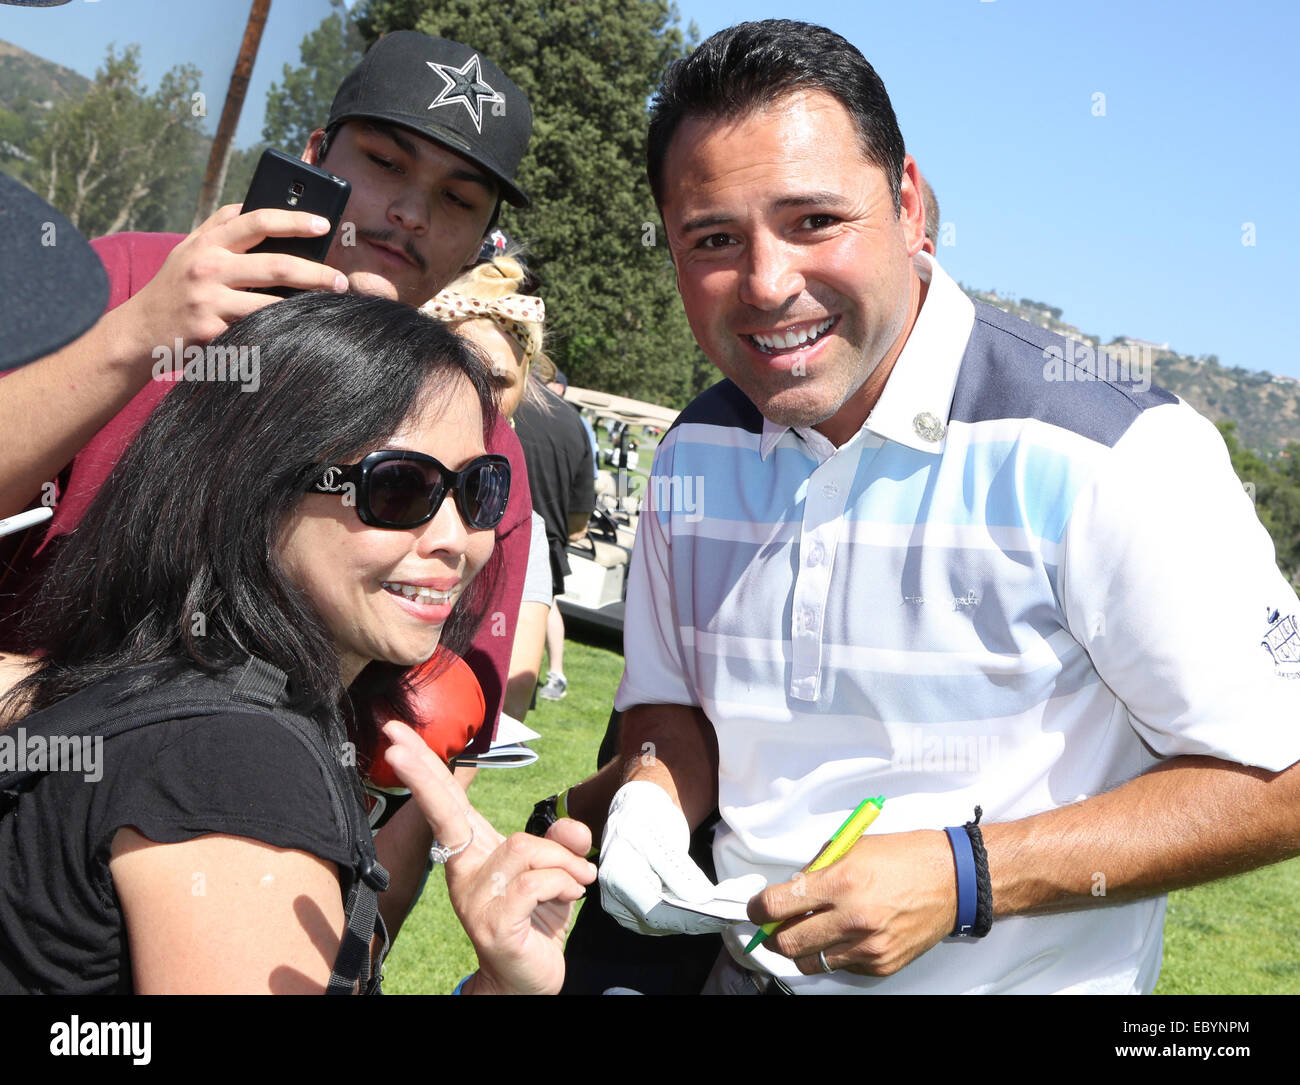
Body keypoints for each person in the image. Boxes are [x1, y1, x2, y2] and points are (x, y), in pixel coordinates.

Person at [596, 19, 1300, 994]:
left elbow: (1282, 775)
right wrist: (649, 804)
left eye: (813, 221)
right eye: (713, 238)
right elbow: (672, 708)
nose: (765, 283)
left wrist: (965, 876)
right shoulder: (693, 452)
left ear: (909, 205)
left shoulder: (1111, 449)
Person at [0, 291, 595, 994]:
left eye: (476, 489)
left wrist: (500, 984)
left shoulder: (160, 686)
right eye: (400, 487)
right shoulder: (239, 767)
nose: (453, 539)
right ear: (255, 489)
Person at [0, 31, 534, 762]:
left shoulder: (478, 443)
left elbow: (439, 730)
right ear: (314, 156)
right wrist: (137, 335)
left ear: (481, 243)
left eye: (458, 198)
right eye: (385, 161)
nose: (413, 211)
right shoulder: (129, 281)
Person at [424, 250, 553, 724]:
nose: (479, 396)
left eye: (498, 379)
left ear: (523, 388)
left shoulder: (523, 529)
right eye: (462, 367)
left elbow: (505, 701)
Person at [513, 374, 595, 703]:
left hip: (494, 532)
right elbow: (579, 522)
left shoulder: (508, 405)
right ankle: (551, 675)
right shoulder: (574, 422)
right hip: (548, 540)